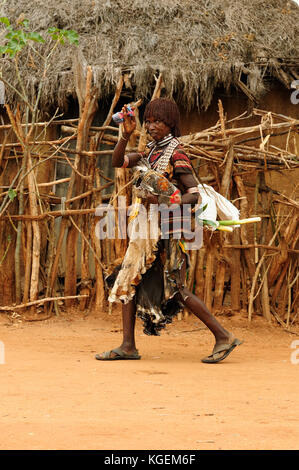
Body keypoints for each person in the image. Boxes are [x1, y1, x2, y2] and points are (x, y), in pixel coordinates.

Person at [95, 98, 242, 363]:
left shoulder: (177, 154)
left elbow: (194, 195)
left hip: (171, 230)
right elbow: (118, 161)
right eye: (148, 121)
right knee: (128, 277)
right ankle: (128, 345)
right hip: (148, 229)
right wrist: (125, 135)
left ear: (170, 123)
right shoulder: (150, 151)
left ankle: (223, 336)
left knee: (176, 288)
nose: (151, 126)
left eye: (157, 121)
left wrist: (164, 201)